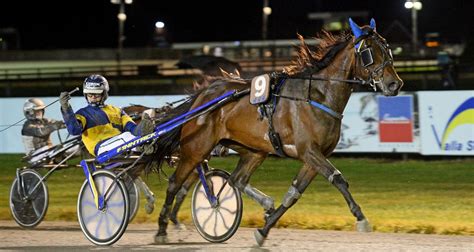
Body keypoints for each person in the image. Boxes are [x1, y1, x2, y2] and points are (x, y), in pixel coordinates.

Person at [59, 74, 154, 157]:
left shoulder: (117, 110)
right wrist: (66, 108)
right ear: (85, 94)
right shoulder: (82, 113)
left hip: (119, 143)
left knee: (129, 134)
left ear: (104, 94)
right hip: (100, 147)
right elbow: (74, 130)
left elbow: (131, 128)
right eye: (89, 94)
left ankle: (145, 142)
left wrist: (141, 129)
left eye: (96, 95)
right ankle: (141, 146)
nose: (92, 97)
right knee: (126, 136)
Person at [21, 98, 66, 163]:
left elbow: (57, 123)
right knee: (50, 148)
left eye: (41, 110)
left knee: (66, 146)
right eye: (37, 111)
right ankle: (57, 159)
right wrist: (54, 126)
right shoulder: (27, 126)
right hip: (34, 155)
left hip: (47, 152)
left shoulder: (45, 121)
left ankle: (58, 159)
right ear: (29, 112)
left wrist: (67, 124)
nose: (40, 112)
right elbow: (40, 132)